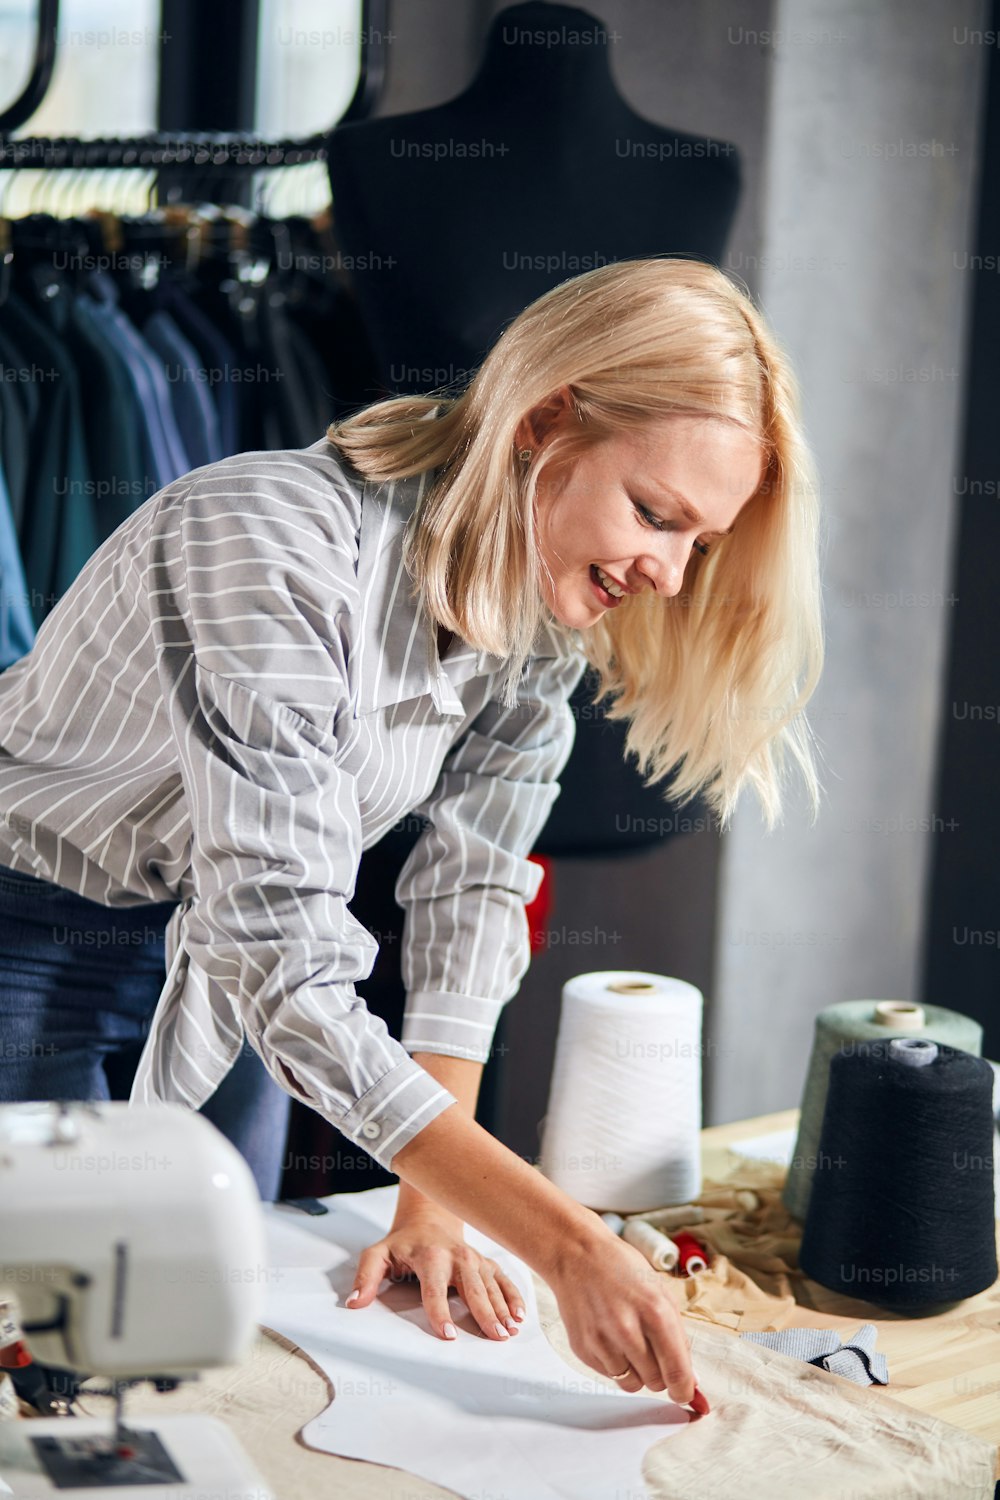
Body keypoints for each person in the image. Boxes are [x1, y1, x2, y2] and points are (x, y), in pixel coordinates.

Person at [0, 257, 822, 1414]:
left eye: (698, 544)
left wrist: (431, 1206)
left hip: (221, 961)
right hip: (31, 921)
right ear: (544, 421)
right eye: (655, 515)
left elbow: (475, 890)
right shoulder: (262, 540)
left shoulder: (540, 610)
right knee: (57, 1345)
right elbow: (284, 954)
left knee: (214, 1339)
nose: (668, 575)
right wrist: (568, 1247)